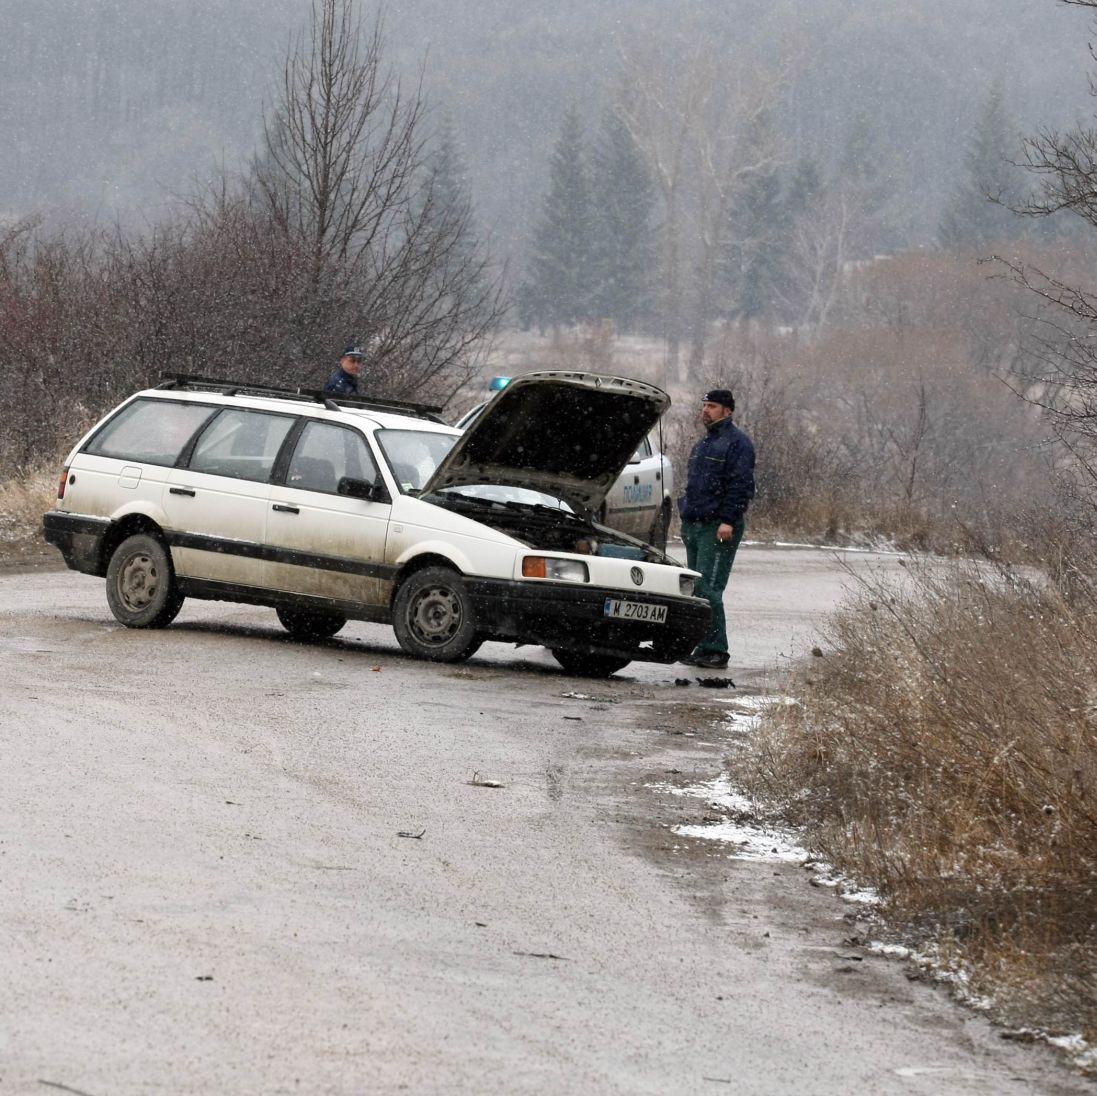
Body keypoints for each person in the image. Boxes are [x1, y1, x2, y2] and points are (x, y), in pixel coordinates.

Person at [677, 388, 755, 670]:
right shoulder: (703, 445)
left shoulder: (738, 444)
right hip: (695, 524)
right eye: (705, 405)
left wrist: (728, 520)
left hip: (718, 526)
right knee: (696, 589)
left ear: (727, 411)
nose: (706, 410)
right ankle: (701, 647)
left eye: (712, 406)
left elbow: (741, 485)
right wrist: (684, 509)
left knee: (708, 588)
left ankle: (716, 650)